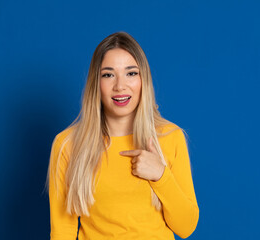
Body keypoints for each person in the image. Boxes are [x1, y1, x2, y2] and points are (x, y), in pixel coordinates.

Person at [46, 32, 199, 239]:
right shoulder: (68, 145)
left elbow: (186, 227)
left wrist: (161, 176)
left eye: (131, 73)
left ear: (143, 79)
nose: (120, 86)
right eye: (108, 74)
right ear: (96, 83)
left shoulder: (170, 137)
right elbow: (62, 230)